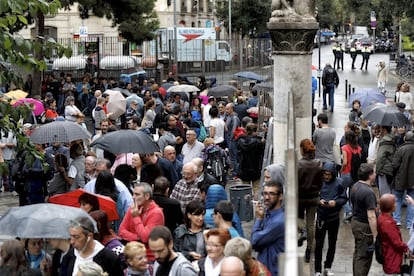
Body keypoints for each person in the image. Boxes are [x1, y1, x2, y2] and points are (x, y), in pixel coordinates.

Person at [314, 162, 347, 276]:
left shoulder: (340, 183)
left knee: (332, 244)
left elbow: (344, 198)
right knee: (319, 244)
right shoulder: (318, 182)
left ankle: (328, 266)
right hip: (321, 218)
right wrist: (319, 201)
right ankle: (317, 270)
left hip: (334, 218)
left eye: (329, 174)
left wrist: (336, 203)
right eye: (325, 174)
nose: (326, 176)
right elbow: (313, 195)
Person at [119, 182, 165, 262]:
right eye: (133, 194)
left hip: (148, 258)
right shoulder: (132, 208)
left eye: (137, 194)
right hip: (131, 254)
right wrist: (137, 238)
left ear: (147, 196)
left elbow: (145, 238)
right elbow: (121, 231)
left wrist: (136, 217)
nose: (133, 197)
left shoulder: (156, 213)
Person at [251, 179, 285, 276]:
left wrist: (258, 219)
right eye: (265, 193)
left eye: (271, 194)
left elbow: (254, 241)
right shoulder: (268, 214)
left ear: (280, 196)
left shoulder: (278, 221)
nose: (266, 197)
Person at [297, 138, 323, 263]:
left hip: (300, 197)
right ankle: (309, 250)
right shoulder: (318, 163)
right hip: (313, 197)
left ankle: (303, 232)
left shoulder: (298, 165)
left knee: (299, 220)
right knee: (311, 223)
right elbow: (320, 182)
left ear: (302, 150)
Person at [350, 163, 377, 276]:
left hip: (355, 222)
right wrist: (376, 235)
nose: (376, 174)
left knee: (358, 253)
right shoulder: (369, 192)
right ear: (370, 175)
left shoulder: (355, 186)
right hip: (364, 227)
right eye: (374, 172)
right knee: (364, 257)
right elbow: (371, 216)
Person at [377, 193, 409, 275]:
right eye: (394, 203)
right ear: (390, 207)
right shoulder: (388, 223)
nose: (396, 205)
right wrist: (406, 248)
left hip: (389, 253)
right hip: (392, 256)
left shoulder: (382, 217)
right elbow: (396, 242)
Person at [392, 131, 414, 227]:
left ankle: (397, 220)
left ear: (405, 138)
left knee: (398, 199)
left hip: (400, 178)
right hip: (413, 180)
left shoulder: (401, 149)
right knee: (411, 200)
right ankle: (410, 222)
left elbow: (395, 164)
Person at [237, 123, 265, 197]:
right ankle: (256, 207)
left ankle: (246, 206)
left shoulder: (240, 141)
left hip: (244, 169)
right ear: (255, 131)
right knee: (256, 190)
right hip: (255, 169)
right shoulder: (259, 143)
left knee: (245, 190)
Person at [376, 125, 396, 196]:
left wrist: (377, 170)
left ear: (384, 129)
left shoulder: (384, 141)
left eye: (380, 128)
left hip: (384, 170)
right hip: (391, 170)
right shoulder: (393, 139)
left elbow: (380, 157)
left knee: (385, 195)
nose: (379, 130)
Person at [225, 103, 240, 178]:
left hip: (233, 140)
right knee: (232, 157)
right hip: (229, 139)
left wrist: (231, 139)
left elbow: (234, 130)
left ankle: (236, 173)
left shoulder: (234, 118)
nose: (226, 110)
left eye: (227, 109)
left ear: (232, 109)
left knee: (234, 157)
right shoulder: (229, 117)